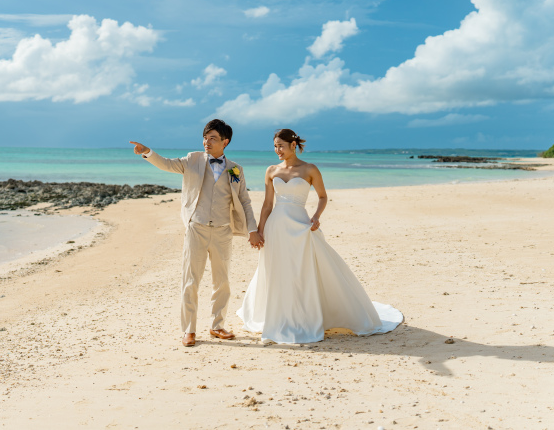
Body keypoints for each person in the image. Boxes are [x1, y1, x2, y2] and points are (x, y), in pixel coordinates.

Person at [236, 128, 402, 344]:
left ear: (293, 145)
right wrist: (259, 231)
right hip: (276, 227)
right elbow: (268, 204)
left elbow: (323, 196)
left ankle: (306, 316)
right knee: (277, 270)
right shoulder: (271, 170)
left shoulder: (310, 169)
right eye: (275, 146)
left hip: (301, 226)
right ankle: (280, 316)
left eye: (281, 146)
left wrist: (316, 216)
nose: (277, 150)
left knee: (302, 271)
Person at [130, 119, 263, 347]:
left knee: (222, 282)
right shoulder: (192, 159)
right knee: (190, 280)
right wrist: (147, 152)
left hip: (223, 231)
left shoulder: (235, 169)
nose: (206, 142)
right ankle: (189, 330)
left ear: (225, 142)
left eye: (213, 138)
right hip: (197, 228)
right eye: (205, 138)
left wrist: (252, 229)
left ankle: (217, 325)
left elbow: (245, 201)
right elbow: (167, 164)